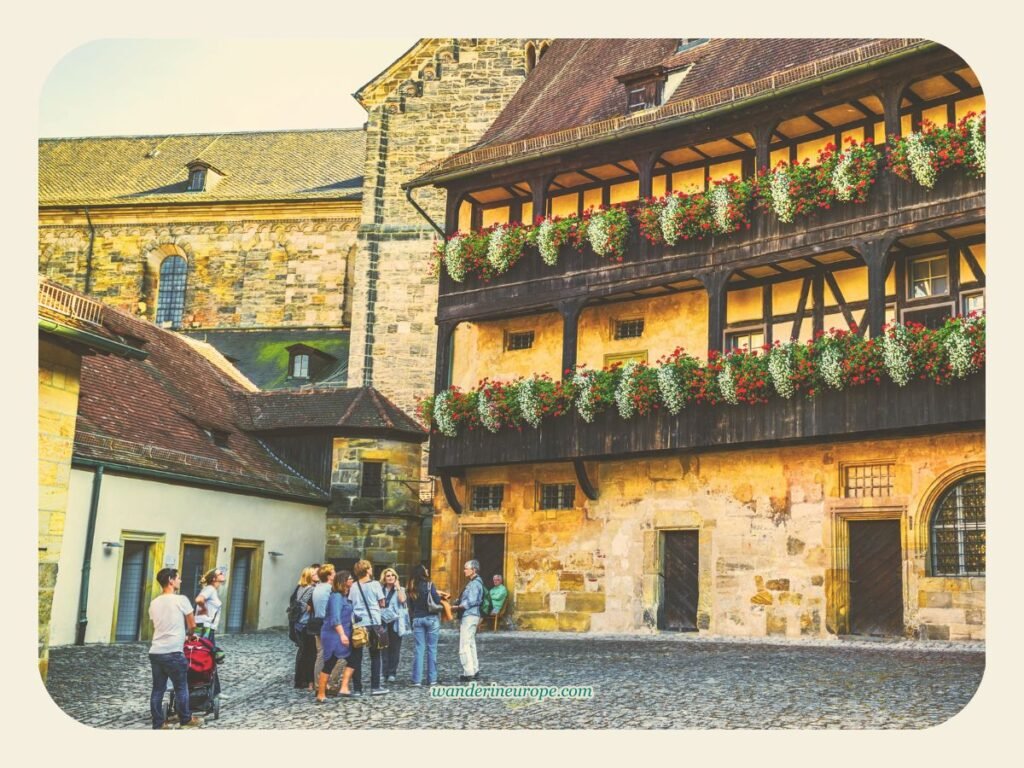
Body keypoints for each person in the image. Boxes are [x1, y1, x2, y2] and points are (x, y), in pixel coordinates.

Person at [148, 568, 202, 729]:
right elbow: (192, 624)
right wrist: (191, 635)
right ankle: (185, 719)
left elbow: (158, 626)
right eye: (178, 578)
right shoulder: (181, 600)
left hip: (156, 651)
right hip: (173, 652)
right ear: (171, 580)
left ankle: (158, 723)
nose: (180, 581)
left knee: (158, 689)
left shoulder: (154, 602)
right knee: (181, 687)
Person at [349, 559, 387, 695]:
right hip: (374, 622)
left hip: (358, 624)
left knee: (356, 657)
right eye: (370, 568)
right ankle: (375, 686)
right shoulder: (375, 585)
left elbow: (350, 603)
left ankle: (357, 689)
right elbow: (382, 603)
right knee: (375, 655)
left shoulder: (353, 586)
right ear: (367, 570)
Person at [316, 570, 355, 703]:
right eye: (350, 578)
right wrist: (342, 635)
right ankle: (321, 694)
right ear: (344, 581)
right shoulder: (336, 597)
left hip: (342, 633)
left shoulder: (344, 597)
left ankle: (344, 687)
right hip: (334, 635)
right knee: (330, 662)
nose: (352, 580)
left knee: (353, 660)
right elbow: (335, 619)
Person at [407, 564, 447, 687]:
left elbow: (410, 607)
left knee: (419, 649)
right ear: (422, 572)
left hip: (418, 619)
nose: (428, 570)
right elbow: (435, 601)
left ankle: (417, 680)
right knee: (432, 649)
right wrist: (441, 597)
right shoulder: (429, 585)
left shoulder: (411, 587)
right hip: (431, 618)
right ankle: (432, 679)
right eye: (426, 569)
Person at [311, 564, 343, 695]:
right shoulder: (330, 589)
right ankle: (330, 684)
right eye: (334, 572)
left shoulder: (317, 588)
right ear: (329, 576)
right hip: (328, 623)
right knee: (339, 656)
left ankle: (319, 685)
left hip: (317, 622)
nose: (335, 574)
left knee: (320, 654)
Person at [455, 560, 485, 682]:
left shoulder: (474, 584)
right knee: (471, 643)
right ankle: (474, 669)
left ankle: (468, 672)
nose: (464, 570)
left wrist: (457, 607)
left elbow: (471, 601)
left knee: (464, 644)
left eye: (466, 568)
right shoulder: (475, 582)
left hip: (469, 615)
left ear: (474, 570)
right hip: (473, 615)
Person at [291, 566, 317, 690]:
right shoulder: (312, 589)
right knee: (310, 653)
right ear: (308, 577)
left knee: (302, 652)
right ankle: (307, 680)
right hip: (306, 624)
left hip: (298, 624)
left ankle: (299, 680)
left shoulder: (301, 588)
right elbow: (310, 607)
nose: (317, 575)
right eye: (314, 574)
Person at [379, 567, 407, 683]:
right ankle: (384, 672)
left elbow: (402, 600)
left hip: (395, 623)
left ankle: (392, 672)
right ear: (384, 579)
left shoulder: (400, 589)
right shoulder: (380, 590)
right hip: (383, 622)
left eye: (392, 575)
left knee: (395, 649)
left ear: (396, 578)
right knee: (383, 648)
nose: (390, 577)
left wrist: (398, 587)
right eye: (388, 576)